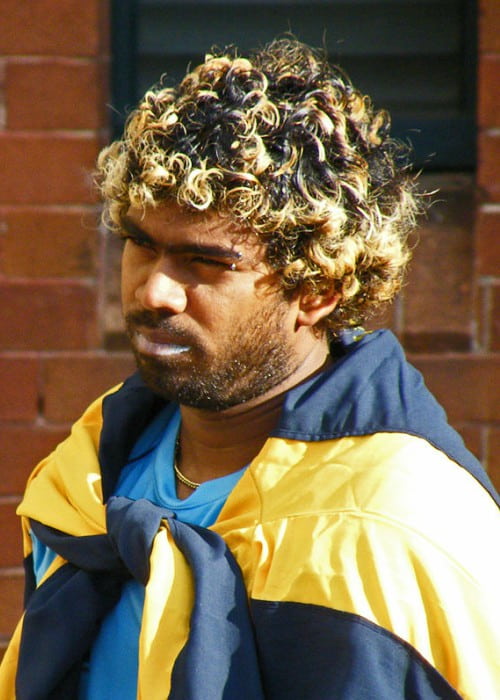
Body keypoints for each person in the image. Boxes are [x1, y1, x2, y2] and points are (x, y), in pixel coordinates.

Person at [1, 37, 499, 700]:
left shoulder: (405, 527)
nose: (154, 293)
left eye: (206, 264)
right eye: (140, 245)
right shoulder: (87, 477)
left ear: (317, 289)